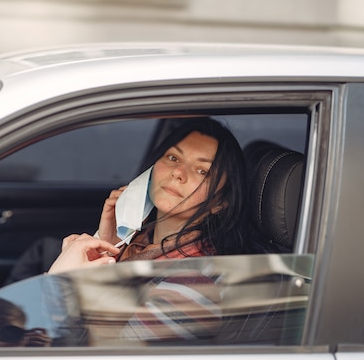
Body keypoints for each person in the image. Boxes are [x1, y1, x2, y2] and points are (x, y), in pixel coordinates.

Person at [48, 117, 247, 274]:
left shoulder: (192, 277)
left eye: (202, 171)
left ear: (221, 202)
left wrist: (61, 279)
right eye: (173, 157)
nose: (178, 172)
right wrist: (110, 244)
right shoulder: (142, 240)